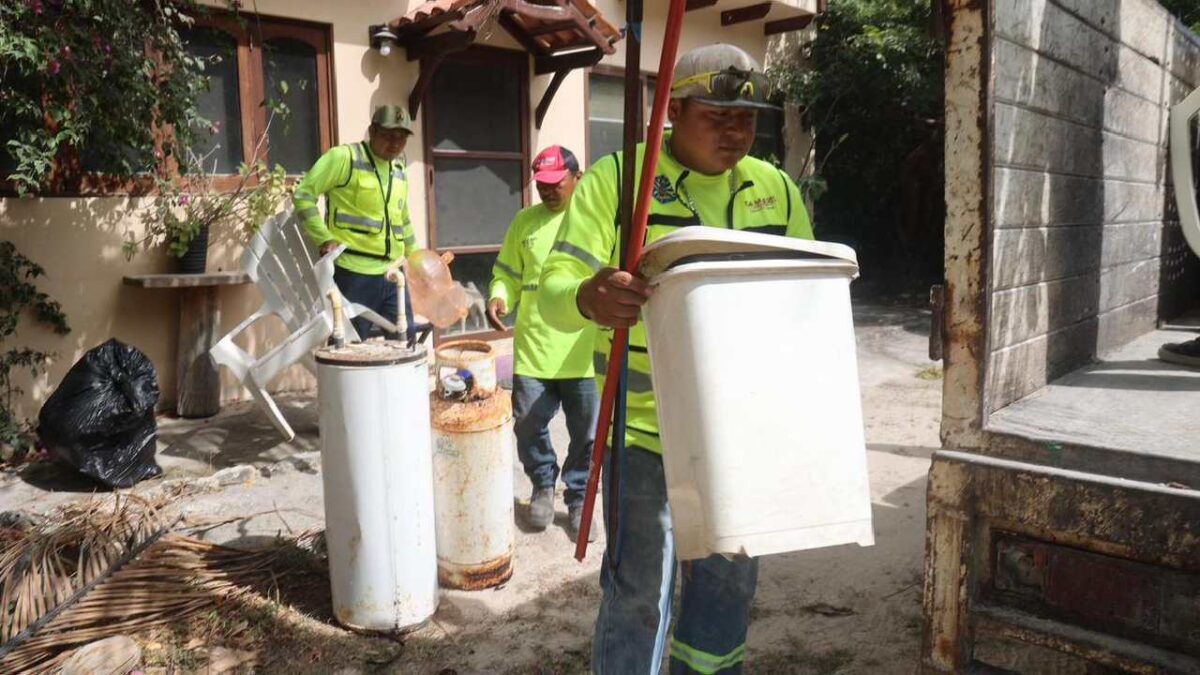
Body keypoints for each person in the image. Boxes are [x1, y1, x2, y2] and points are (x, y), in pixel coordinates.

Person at [538, 44, 814, 674]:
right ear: (675, 110)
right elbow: (555, 287)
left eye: (745, 117)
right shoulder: (619, 181)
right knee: (640, 594)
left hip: (740, 434)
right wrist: (590, 294)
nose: (735, 130)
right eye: (716, 114)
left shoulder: (777, 190)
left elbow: (805, 298)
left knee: (728, 585)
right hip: (642, 432)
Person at [488, 146, 599, 542]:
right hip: (535, 346)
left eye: (556, 184)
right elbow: (506, 272)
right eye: (542, 186)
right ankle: (542, 483)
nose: (548, 192)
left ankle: (580, 496)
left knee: (587, 433)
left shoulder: (595, 220)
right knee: (528, 422)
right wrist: (499, 295)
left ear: (577, 177)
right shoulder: (525, 223)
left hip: (583, 349)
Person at [293, 104, 420, 341]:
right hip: (353, 273)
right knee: (347, 348)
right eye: (388, 135)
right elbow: (303, 195)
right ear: (372, 131)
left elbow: (402, 220)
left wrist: (417, 258)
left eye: (401, 138)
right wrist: (324, 238)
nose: (395, 143)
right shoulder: (344, 158)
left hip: (392, 275)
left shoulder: (399, 170)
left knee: (407, 343)